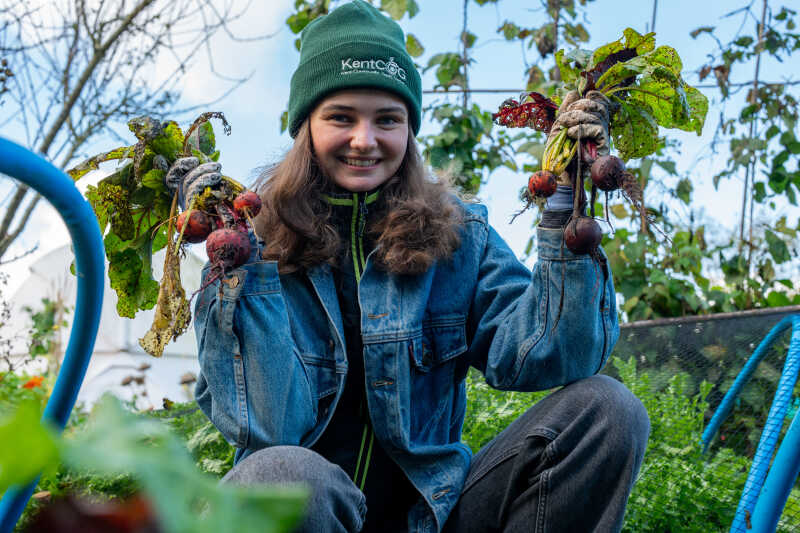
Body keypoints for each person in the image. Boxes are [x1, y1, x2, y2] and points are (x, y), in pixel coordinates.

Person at [166, 1, 649, 532]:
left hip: (437, 518)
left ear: (409, 130)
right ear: (306, 126)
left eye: (388, 119)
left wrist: (565, 208)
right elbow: (269, 428)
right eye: (341, 117)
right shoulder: (254, 244)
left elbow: (551, 355)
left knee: (607, 409)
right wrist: (237, 270)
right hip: (313, 515)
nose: (365, 140)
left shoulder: (460, 236)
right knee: (283, 472)